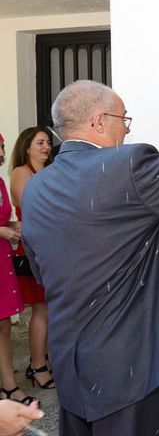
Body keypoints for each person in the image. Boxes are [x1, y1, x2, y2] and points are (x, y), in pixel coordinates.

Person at [20, 73, 159, 435]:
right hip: (124, 361)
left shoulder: (37, 186)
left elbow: (42, 270)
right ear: (99, 121)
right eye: (123, 120)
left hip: (68, 357)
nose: (126, 131)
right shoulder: (129, 166)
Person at [8, 127, 54, 392]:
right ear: (26, 146)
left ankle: (43, 361)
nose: (46, 147)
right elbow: (33, 205)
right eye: (39, 142)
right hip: (33, 248)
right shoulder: (21, 172)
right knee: (41, 308)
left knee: (49, 309)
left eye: (47, 142)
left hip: (51, 247)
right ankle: (37, 366)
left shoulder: (48, 172)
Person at [0, 133, 34, 407]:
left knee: (3, 327)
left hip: (2, 259)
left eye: (1, 146)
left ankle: (8, 386)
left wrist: (13, 227)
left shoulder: (0, 183)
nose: (1, 151)